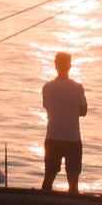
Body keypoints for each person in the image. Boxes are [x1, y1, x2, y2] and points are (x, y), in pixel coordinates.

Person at [40, 52, 88, 194]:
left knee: (48, 178)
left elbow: (47, 106)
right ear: (70, 66)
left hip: (52, 138)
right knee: (73, 184)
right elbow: (83, 111)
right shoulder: (77, 87)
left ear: (55, 65)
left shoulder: (47, 87)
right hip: (72, 140)